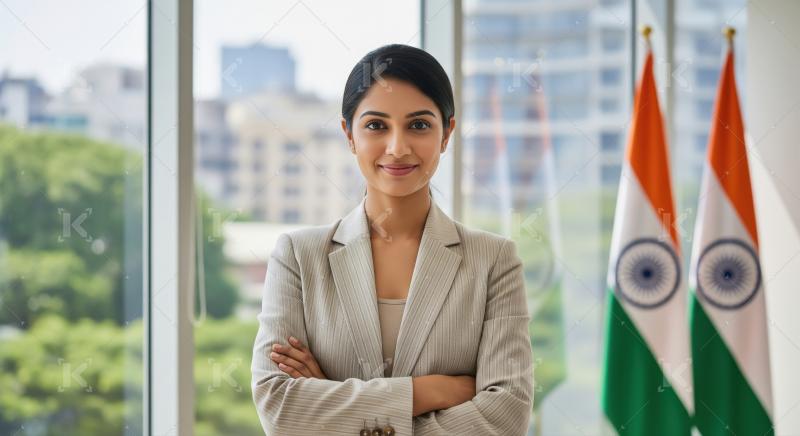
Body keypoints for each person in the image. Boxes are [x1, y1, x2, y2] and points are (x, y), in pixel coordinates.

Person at [251, 43, 533, 435]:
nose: (398, 148)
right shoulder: (299, 257)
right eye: (376, 125)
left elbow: (506, 416)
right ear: (349, 135)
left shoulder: (494, 260)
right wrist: (429, 391)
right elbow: (279, 408)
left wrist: (332, 401)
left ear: (447, 133)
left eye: (418, 125)